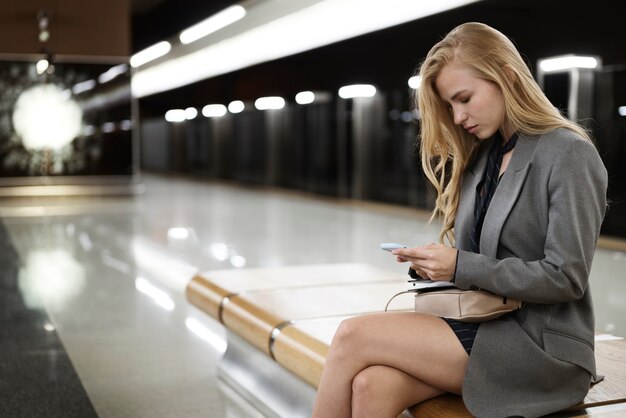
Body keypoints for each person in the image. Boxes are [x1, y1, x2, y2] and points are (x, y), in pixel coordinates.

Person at [311, 22, 608, 418]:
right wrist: (439, 266)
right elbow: (482, 260)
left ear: (505, 75)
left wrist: (460, 264)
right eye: (450, 106)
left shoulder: (567, 153)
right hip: (487, 322)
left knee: (352, 335)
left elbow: (567, 277)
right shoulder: (483, 159)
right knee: (372, 385)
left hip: (541, 346)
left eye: (464, 98)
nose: (458, 116)